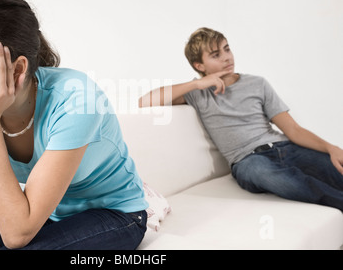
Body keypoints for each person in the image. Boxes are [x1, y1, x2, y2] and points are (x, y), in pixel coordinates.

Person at [0, 0, 148, 250]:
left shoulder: (77, 99)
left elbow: (16, 235)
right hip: (45, 213)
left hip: (115, 213)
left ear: (17, 69)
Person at [139, 27, 343, 211]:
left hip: (285, 147)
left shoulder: (257, 83)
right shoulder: (198, 93)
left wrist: (330, 148)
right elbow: (145, 101)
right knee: (273, 176)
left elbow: (294, 130)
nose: (227, 58)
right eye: (216, 55)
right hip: (248, 160)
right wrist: (196, 84)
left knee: (333, 168)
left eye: (227, 49)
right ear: (199, 65)